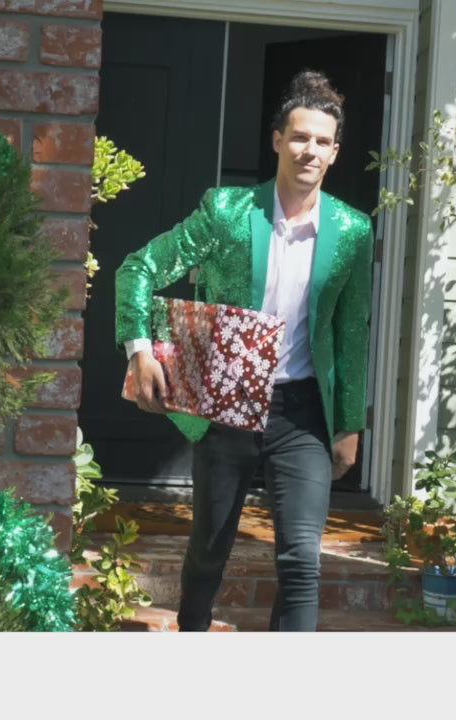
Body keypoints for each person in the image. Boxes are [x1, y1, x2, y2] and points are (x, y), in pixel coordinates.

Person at [115, 70, 374, 631]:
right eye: (300, 137)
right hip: (228, 406)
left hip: (302, 413)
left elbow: (352, 332)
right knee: (210, 552)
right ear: (277, 140)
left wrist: (350, 422)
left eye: (323, 142)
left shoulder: (353, 231)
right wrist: (141, 349)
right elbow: (139, 267)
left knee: (302, 560)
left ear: (335, 152)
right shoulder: (229, 212)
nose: (310, 150)